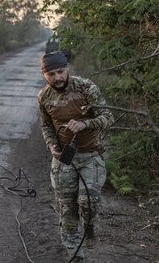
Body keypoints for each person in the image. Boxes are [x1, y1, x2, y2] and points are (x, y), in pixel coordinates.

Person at [37, 52, 114, 262]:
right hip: (64, 159)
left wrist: (85, 124)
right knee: (67, 209)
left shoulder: (85, 87)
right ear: (44, 74)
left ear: (67, 68)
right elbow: (46, 126)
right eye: (51, 74)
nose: (57, 78)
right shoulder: (44, 96)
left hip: (90, 155)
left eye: (60, 72)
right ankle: (75, 256)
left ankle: (89, 227)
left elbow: (108, 116)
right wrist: (52, 145)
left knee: (88, 202)